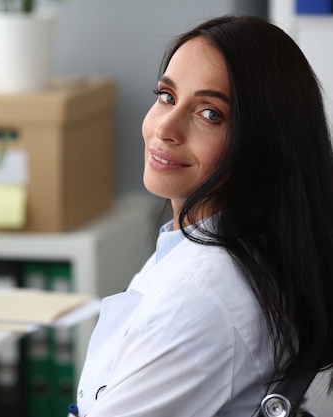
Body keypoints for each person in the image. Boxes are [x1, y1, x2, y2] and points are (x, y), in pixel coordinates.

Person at [72, 15, 333, 416]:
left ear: (263, 145)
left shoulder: (200, 298)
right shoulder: (235, 249)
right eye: (167, 96)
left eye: (210, 113)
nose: (166, 129)